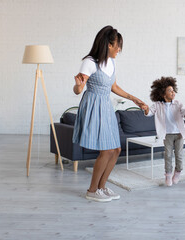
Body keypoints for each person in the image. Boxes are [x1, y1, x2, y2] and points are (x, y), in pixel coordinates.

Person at [73, 25, 145, 202]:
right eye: (117, 46)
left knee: (116, 149)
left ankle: (102, 187)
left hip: (106, 106)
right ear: (108, 45)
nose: (119, 49)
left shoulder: (111, 62)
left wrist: (134, 98)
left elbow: (113, 87)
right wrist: (79, 86)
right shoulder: (90, 62)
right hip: (93, 106)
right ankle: (92, 190)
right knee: (107, 150)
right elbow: (78, 89)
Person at [142, 77, 185, 186]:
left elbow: (184, 112)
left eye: (173, 90)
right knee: (168, 155)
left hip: (179, 134)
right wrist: (146, 109)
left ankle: (178, 172)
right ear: (163, 94)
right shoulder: (157, 105)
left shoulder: (178, 104)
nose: (173, 92)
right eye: (170, 91)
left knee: (179, 155)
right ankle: (168, 175)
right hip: (167, 135)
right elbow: (149, 113)